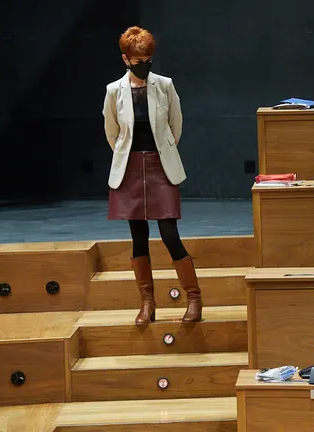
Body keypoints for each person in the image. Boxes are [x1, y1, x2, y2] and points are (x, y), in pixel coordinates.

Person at [103, 26, 202, 324]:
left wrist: (162, 152)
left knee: (170, 233)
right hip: (130, 168)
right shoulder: (113, 91)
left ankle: (194, 298)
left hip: (161, 166)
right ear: (125, 59)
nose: (144, 65)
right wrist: (128, 155)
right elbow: (112, 132)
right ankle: (147, 302)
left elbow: (176, 126)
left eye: (148, 60)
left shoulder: (165, 85)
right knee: (138, 236)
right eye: (138, 61)